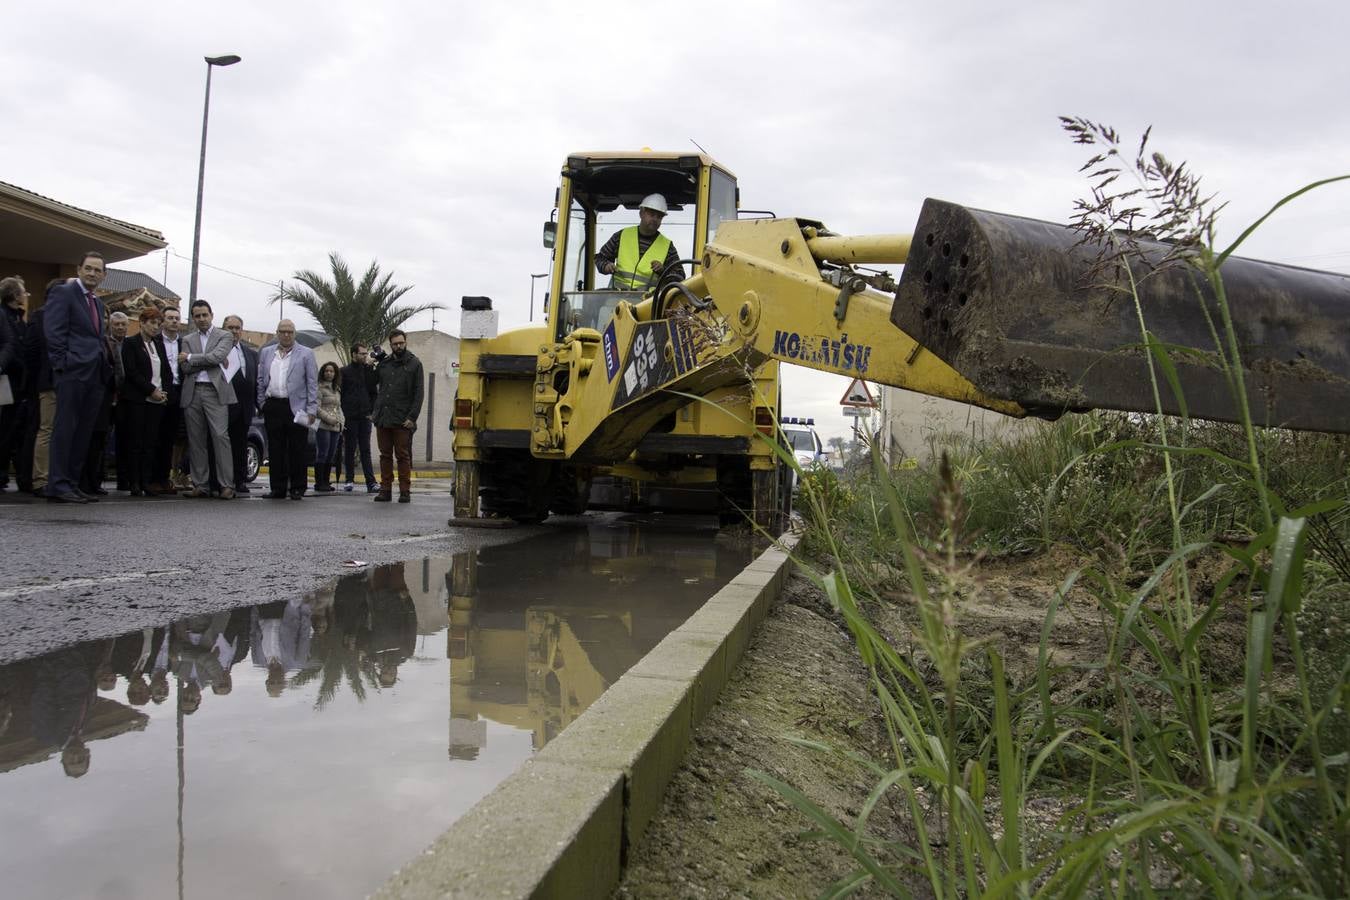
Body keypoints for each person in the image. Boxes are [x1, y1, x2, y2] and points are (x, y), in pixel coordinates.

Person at [44, 252, 113, 503]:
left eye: (98, 270)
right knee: (65, 429)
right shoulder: (64, 293)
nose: (93, 273)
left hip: (94, 375)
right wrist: (62, 365)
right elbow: (53, 331)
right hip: (72, 372)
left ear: (104, 275)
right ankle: (58, 484)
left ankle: (72, 483)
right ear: (79, 269)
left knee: (83, 431)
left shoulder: (98, 303)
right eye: (88, 269)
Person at [178, 299, 237, 499]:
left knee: (220, 437)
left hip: (215, 391)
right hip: (193, 390)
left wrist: (191, 358)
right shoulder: (187, 339)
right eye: (197, 316)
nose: (202, 319)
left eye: (205, 315)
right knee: (196, 440)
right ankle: (200, 484)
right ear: (193, 318)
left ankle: (226, 485)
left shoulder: (225, 335)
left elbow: (217, 357)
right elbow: (185, 368)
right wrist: (199, 360)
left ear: (211, 315)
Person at [255, 319, 317, 500]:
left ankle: (297, 487)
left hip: (297, 407)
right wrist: (262, 403)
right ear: (277, 333)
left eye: (290, 331)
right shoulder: (267, 353)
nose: (286, 334)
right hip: (273, 405)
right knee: (276, 449)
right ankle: (277, 488)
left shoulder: (306, 354)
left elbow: (312, 383)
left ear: (294, 333)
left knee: (297, 449)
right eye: (283, 331)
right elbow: (260, 379)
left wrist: (312, 408)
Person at [119, 307, 172, 497]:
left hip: (157, 401)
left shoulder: (158, 345)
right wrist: (151, 390)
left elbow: (165, 370)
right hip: (138, 399)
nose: (155, 327)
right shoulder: (131, 343)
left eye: (158, 324)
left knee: (151, 442)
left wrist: (164, 391)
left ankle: (146, 480)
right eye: (151, 323)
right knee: (136, 442)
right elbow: (132, 372)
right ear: (141, 322)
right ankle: (133, 481)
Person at [371, 329, 423, 503]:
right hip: (383, 417)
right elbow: (372, 384)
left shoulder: (414, 363)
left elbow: (419, 393)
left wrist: (412, 417)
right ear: (391, 345)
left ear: (406, 342)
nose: (398, 346)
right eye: (395, 344)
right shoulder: (384, 364)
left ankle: (404, 491)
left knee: (402, 455)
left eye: (401, 343)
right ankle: (385, 489)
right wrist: (371, 364)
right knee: (385, 455)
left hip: (403, 419)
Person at [594, 193, 684, 292]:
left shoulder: (668, 246)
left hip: (648, 303)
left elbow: (680, 276)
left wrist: (663, 270)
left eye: (659, 217)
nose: (655, 219)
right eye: (652, 214)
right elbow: (600, 258)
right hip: (618, 299)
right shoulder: (621, 236)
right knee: (602, 307)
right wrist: (606, 266)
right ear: (641, 213)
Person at [21, 281, 61, 496]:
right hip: (46, 383)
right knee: (44, 430)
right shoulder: (41, 316)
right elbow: (32, 352)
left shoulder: (66, 316)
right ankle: (38, 479)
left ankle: (53, 477)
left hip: (63, 383)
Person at [221, 315, 259, 494]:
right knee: (222, 446)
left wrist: (259, 405)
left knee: (240, 445)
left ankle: (240, 480)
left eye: (237, 328)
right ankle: (221, 481)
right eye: (230, 328)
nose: (234, 331)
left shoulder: (250, 353)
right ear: (224, 329)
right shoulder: (218, 350)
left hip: (244, 409)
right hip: (223, 406)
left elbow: (255, 381)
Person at [151, 305, 185, 495]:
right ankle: (152, 478)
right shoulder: (155, 341)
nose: (173, 321)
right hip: (159, 392)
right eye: (170, 318)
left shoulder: (184, 343)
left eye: (177, 318)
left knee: (170, 438)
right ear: (162, 320)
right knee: (156, 436)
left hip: (178, 392)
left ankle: (165, 478)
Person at [339, 343, 379, 493]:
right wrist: (343, 413)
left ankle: (371, 482)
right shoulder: (344, 372)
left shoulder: (368, 371)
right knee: (349, 448)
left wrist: (371, 411)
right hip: (350, 416)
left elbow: (374, 392)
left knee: (365, 449)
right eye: (361, 353)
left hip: (365, 416)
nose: (364, 356)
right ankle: (349, 479)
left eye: (365, 353)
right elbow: (340, 394)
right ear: (353, 354)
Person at [0, 276, 27, 492]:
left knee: (14, 428)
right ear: (14, 295)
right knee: (6, 427)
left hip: (17, 380)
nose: (25, 294)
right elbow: (11, 346)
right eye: (22, 290)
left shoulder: (18, 317)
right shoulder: (5, 316)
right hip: (7, 379)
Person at [107, 311, 130, 491]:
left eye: (123, 324)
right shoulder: (105, 342)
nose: (120, 327)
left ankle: (123, 478)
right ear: (110, 325)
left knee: (124, 438)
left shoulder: (130, 344)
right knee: (102, 436)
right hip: (108, 395)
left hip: (126, 397)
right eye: (117, 324)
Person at [314, 361, 344, 492]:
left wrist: (342, 421)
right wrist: (329, 419)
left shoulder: (337, 389)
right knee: (323, 453)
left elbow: (339, 407)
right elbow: (316, 408)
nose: (329, 373)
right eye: (327, 371)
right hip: (323, 426)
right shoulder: (319, 388)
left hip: (336, 427)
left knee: (331, 454)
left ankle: (326, 481)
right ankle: (319, 482)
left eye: (332, 371)